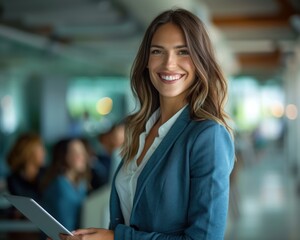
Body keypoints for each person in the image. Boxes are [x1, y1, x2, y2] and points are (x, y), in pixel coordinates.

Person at [58, 8, 234, 240]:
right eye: (157, 51)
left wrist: (115, 238)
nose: (169, 64)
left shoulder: (207, 135)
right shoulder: (139, 130)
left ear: (201, 60)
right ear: (147, 62)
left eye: (183, 52)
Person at [41, 138, 90, 231]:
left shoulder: (81, 184)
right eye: (76, 152)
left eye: (83, 152)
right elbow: (64, 226)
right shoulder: (59, 186)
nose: (83, 156)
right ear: (64, 155)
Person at [6, 132, 45, 202]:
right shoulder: (14, 180)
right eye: (40, 149)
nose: (44, 153)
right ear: (29, 152)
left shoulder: (47, 174)